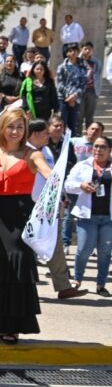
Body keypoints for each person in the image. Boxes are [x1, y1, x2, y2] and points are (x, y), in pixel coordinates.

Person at [0, 109, 42, 344]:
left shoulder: (31, 154)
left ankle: (17, 324)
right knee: (2, 265)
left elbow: (47, 171)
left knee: (19, 262)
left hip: (22, 214)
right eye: (11, 126)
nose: (15, 131)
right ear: (2, 128)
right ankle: (1, 323)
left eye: (20, 127)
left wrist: (54, 181)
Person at [25, 119, 86, 300]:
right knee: (27, 246)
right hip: (31, 206)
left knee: (55, 245)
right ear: (35, 134)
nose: (48, 136)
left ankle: (63, 286)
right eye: (45, 133)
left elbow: (53, 174)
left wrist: (62, 194)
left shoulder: (46, 150)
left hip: (48, 206)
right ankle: (24, 285)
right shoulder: (26, 152)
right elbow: (48, 174)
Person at [65, 136, 112, 296]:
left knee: (105, 252)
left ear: (110, 150)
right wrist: (81, 185)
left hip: (109, 218)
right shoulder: (82, 165)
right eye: (96, 146)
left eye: (103, 147)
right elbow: (67, 184)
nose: (98, 150)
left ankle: (101, 284)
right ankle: (77, 280)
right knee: (84, 249)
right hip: (87, 216)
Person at [56, 45, 88, 133]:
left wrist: (74, 96)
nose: (73, 52)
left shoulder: (82, 67)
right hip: (63, 99)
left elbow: (84, 84)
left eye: (75, 50)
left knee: (73, 125)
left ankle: (71, 145)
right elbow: (60, 84)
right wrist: (69, 96)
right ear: (66, 53)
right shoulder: (62, 67)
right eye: (70, 51)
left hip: (76, 100)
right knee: (61, 123)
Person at [80, 42, 102, 130]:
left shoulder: (96, 62)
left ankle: (89, 137)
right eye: (85, 48)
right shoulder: (77, 61)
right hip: (80, 91)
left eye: (90, 49)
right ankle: (77, 136)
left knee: (89, 117)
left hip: (92, 91)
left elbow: (98, 77)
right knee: (79, 116)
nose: (87, 51)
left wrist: (98, 92)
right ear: (81, 49)